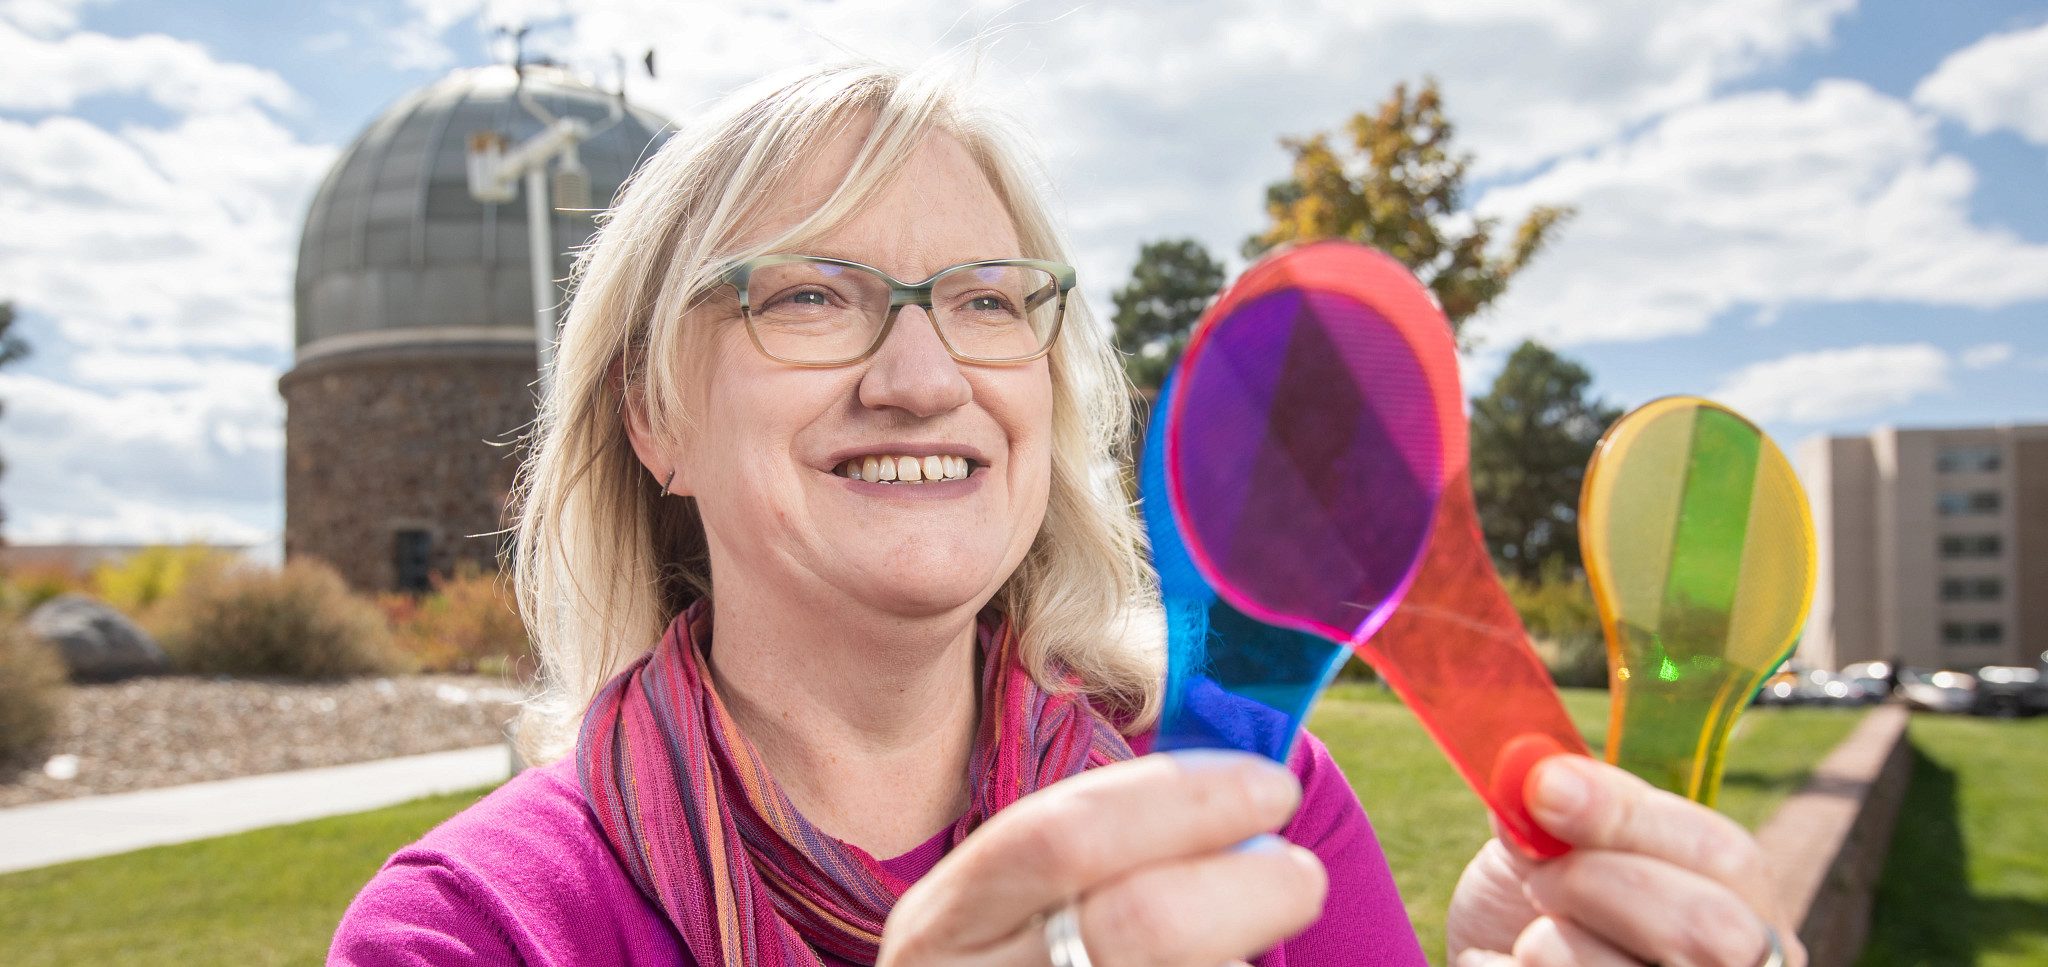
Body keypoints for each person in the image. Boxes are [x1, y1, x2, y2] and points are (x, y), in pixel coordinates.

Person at [331, 61, 1803, 967]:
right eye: (810, 295)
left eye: (984, 301)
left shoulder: (1249, 799)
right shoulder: (474, 931)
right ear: (655, 419)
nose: (921, 376)